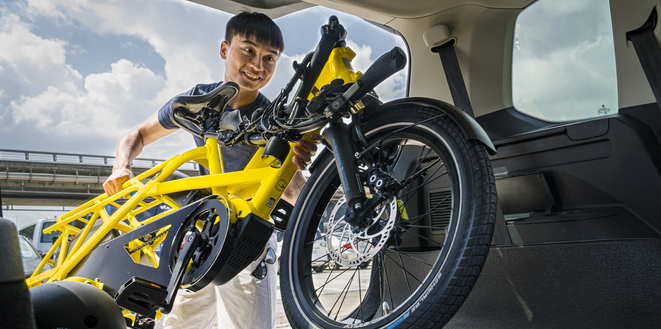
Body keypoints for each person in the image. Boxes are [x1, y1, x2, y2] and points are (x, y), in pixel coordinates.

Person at [102, 12, 319, 329]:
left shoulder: (275, 118)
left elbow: (291, 190)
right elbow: (137, 135)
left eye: (269, 58)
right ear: (224, 49)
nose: (258, 65)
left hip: (249, 239)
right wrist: (122, 165)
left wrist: (297, 162)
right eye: (248, 50)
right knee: (177, 325)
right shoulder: (198, 102)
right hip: (203, 232)